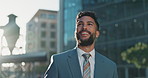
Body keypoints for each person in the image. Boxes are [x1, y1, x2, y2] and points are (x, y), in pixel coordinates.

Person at [44, 11, 118, 78]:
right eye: (80, 24)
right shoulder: (58, 62)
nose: (84, 27)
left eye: (89, 24)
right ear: (75, 32)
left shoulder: (110, 67)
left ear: (97, 33)